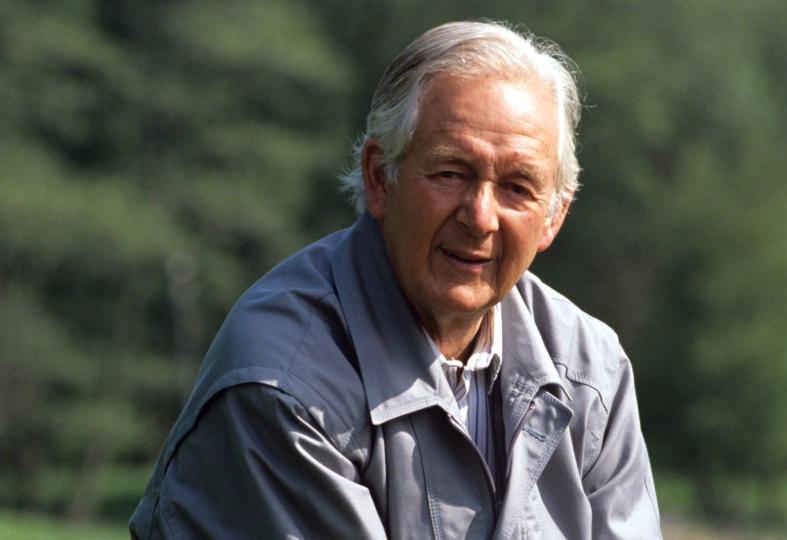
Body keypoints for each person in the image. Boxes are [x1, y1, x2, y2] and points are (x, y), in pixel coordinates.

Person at [129, 20, 661, 539]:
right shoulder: (283, 383)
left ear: (553, 217)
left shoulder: (592, 372)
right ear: (381, 178)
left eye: (518, 187)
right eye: (451, 172)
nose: (480, 216)